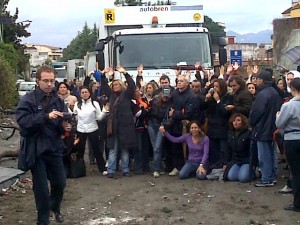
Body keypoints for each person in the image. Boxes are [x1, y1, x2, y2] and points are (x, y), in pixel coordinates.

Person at [15, 65, 71, 225]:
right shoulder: (28, 99)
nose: (49, 84)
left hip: (54, 148)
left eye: (52, 81)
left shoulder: (57, 101)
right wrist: (45, 116)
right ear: (37, 81)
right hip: (36, 149)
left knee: (60, 182)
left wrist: (64, 126)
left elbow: (61, 121)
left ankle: (55, 206)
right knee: (41, 190)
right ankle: (43, 220)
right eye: (45, 81)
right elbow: (23, 121)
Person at [249, 70, 282, 187]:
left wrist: (251, 123)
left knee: (264, 155)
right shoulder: (274, 92)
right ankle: (272, 176)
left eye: (257, 79)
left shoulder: (262, 94)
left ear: (261, 80)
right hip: (273, 127)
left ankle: (266, 178)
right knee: (272, 153)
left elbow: (256, 112)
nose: (256, 81)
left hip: (262, 128)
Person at [106, 66, 137, 178]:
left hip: (125, 127)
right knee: (113, 150)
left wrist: (125, 73)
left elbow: (132, 85)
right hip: (114, 127)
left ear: (122, 86)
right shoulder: (111, 96)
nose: (115, 86)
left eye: (117, 84)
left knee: (125, 149)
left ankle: (125, 169)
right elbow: (104, 86)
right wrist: (108, 76)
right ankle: (111, 170)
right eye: (113, 85)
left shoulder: (127, 94)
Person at [276, 78, 300, 212]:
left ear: (292, 88)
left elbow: (279, 124)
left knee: (296, 173)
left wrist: (278, 116)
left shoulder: (288, 105)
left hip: (291, 139)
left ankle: (297, 203)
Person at [73, 86, 108, 173]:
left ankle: (102, 168)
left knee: (97, 149)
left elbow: (99, 118)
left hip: (93, 129)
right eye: (83, 92)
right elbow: (75, 117)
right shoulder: (77, 104)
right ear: (80, 94)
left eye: (86, 92)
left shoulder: (95, 103)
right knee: (80, 150)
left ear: (89, 93)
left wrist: (104, 111)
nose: (84, 94)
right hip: (81, 129)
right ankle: (79, 169)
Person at [223, 113, 252, 183]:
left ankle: (255, 172)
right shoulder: (230, 133)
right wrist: (226, 163)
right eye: (234, 120)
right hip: (235, 160)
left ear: (243, 122)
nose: (235, 122)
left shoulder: (248, 133)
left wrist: (253, 164)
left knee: (243, 178)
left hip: (246, 160)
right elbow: (228, 150)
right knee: (231, 177)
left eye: (238, 120)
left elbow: (252, 150)